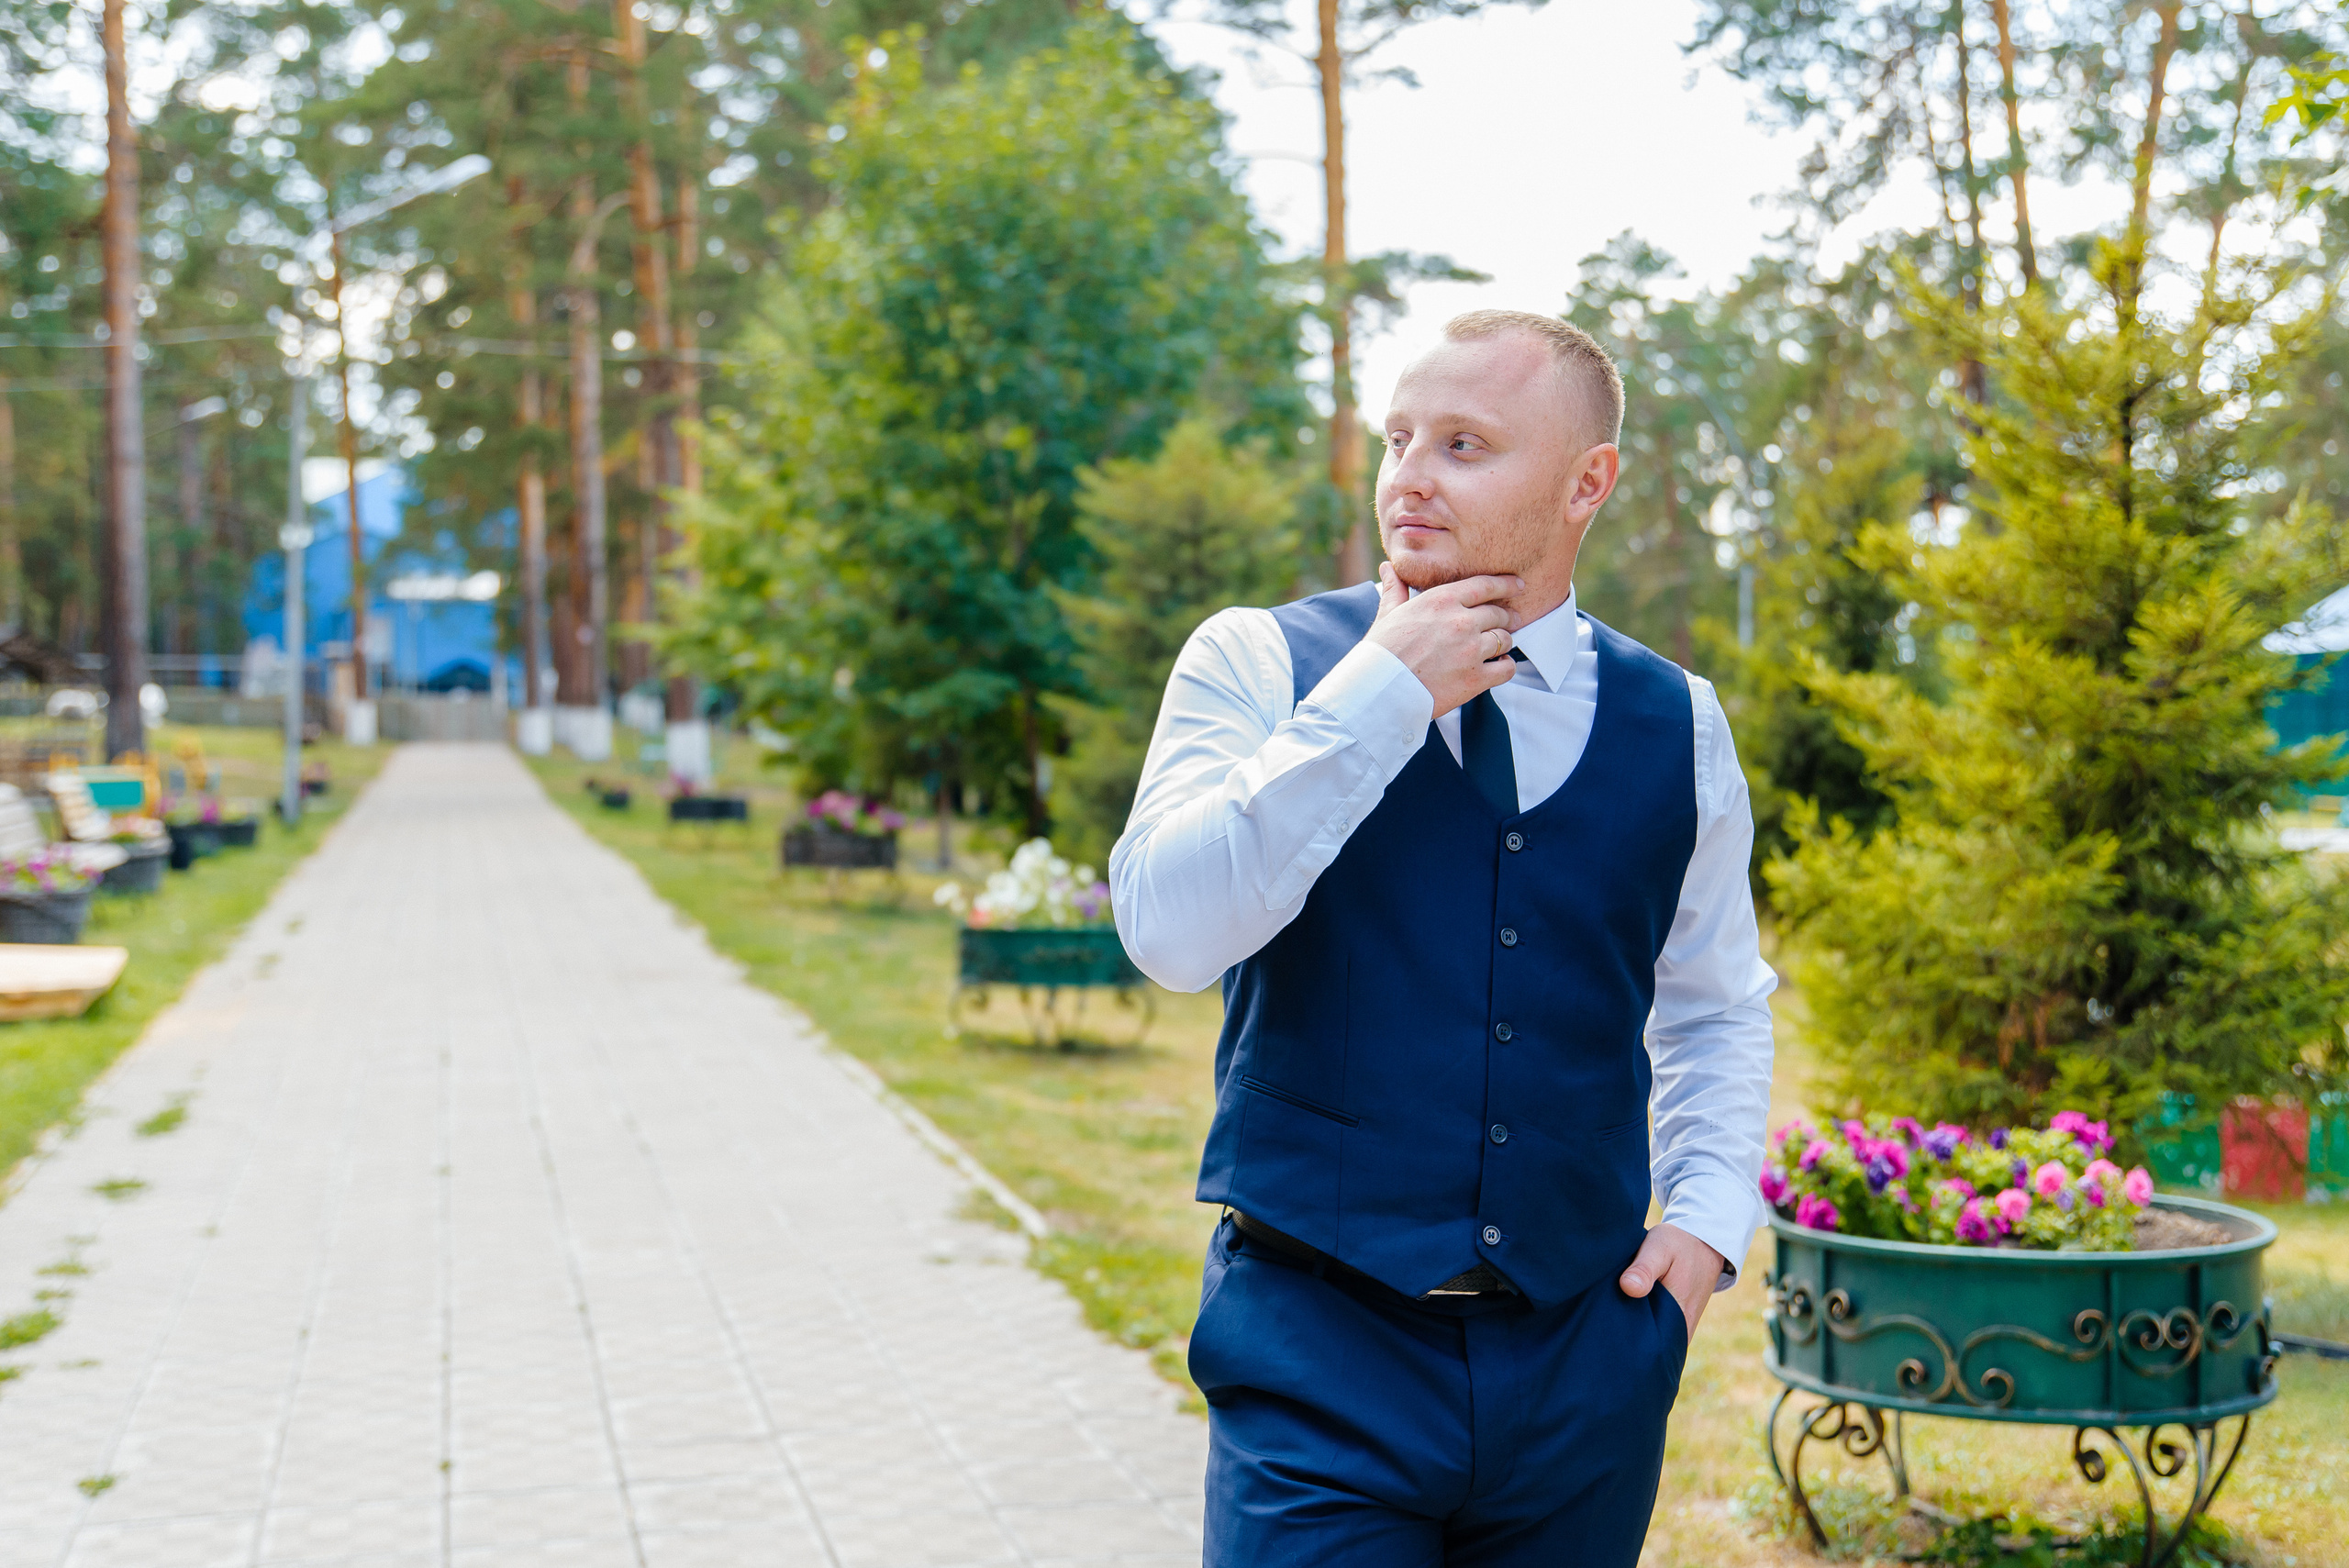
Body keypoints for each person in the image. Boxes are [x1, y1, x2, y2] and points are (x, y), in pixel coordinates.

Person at [1108, 309, 1776, 1566]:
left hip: (1586, 1370)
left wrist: (1704, 1227)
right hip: (1318, 1358)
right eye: (1400, 435)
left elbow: (1715, 1003)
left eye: (1464, 444)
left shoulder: (1677, 722)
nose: (1410, 473)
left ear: (1589, 482)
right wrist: (1382, 693)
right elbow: (1167, 930)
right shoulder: (1259, 661)